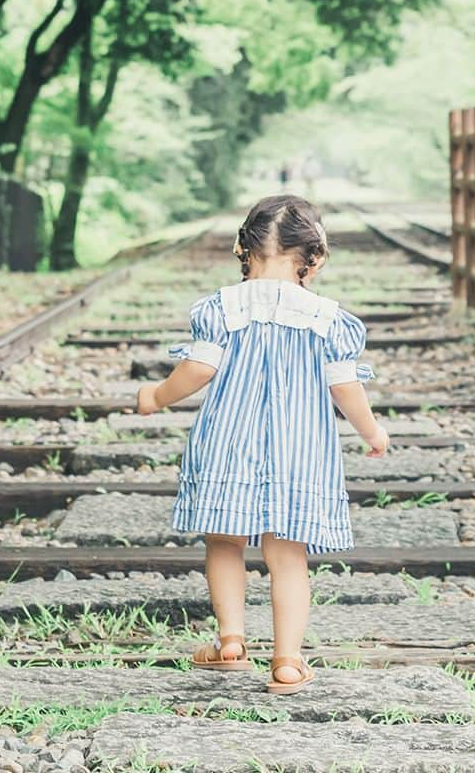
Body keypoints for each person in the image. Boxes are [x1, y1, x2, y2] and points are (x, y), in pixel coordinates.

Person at [136, 195, 389, 694]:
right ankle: (288, 662)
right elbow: (345, 390)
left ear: (241, 249)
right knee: (287, 556)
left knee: (223, 542)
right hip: (300, 455)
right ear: (314, 260)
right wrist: (372, 431)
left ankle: (230, 641)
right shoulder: (330, 320)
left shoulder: (219, 309)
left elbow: (198, 370)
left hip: (228, 446)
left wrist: (156, 396)